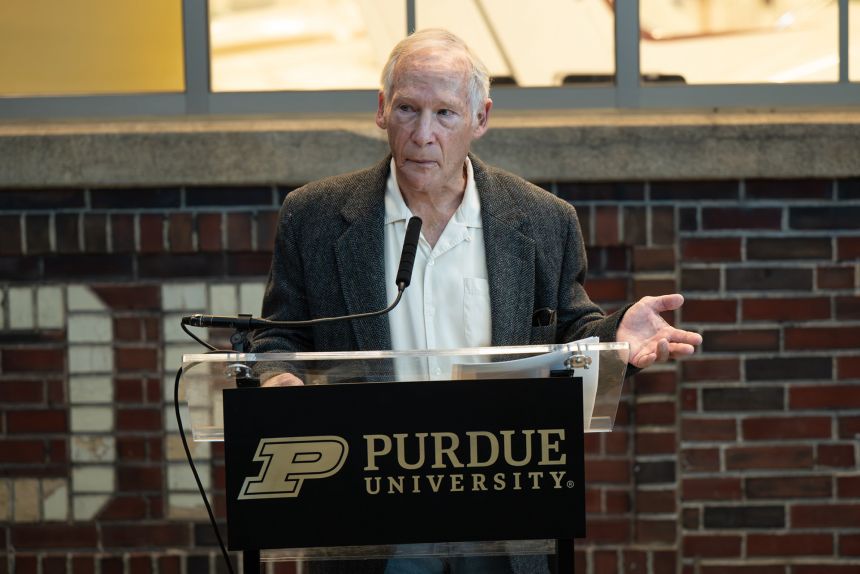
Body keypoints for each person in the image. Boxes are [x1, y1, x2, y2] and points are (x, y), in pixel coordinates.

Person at [249, 28, 701, 573]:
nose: (422, 134)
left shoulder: (543, 220)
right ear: (380, 110)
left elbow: (568, 336)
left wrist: (613, 340)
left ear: (480, 118)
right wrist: (278, 379)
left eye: (445, 114)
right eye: (408, 109)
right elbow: (278, 335)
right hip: (370, 519)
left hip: (501, 516)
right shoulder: (316, 217)